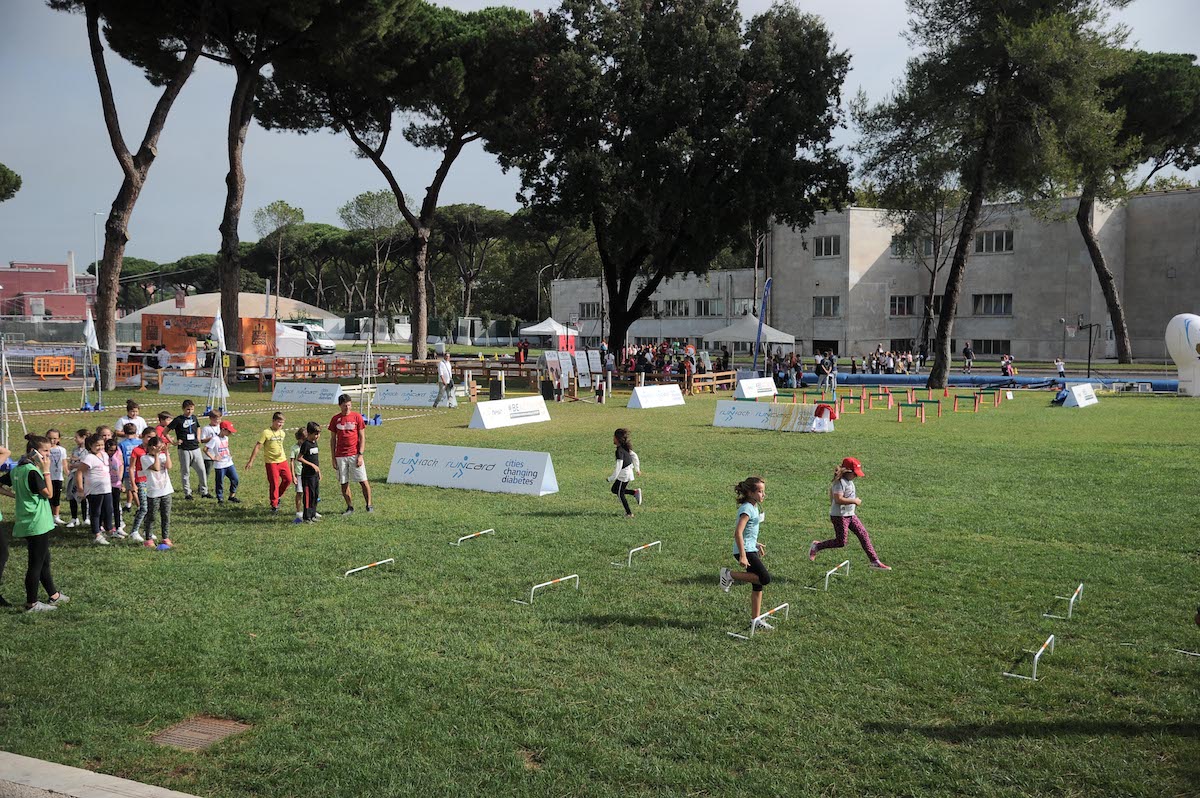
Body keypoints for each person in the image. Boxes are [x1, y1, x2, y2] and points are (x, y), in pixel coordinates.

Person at [7, 435, 68, 612]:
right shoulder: (33, 471)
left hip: (28, 521)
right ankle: (31, 604)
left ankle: (53, 595)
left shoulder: (18, 469)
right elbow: (49, 494)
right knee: (36, 564)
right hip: (37, 523)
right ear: (33, 452)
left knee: (44, 560)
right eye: (45, 451)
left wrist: (14, 495)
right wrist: (47, 470)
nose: (48, 454)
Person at [809, 457, 890, 570]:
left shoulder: (849, 481)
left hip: (850, 515)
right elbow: (838, 499)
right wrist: (854, 501)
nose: (856, 476)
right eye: (855, 473)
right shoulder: (839, 483)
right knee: (841, 542)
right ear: (847, 471)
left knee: (863, 534)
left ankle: (874, 561)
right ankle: (817, 546)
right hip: (840, 516)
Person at [718, 477, 774, 629]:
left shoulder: (754, 506)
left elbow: (748, 533)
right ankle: (728, 574)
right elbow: (738, 532)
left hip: (750, 548)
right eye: (760, 491)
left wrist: (755, 544)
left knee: (758, 584)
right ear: (750, 493)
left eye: (764, 491)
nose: (763, 494)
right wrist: (743, 555)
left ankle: (755, 620)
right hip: (744, 551)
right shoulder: (747, 509)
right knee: (764, 578)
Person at [328, 394, 373, 515]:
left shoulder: (357, 417)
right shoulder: (335, 419)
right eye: (344, 406)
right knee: (344, 483)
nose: (347, 407)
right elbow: (333, 439)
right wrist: (333, 458)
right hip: (340, 456)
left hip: (355, 454)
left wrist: (360, 454)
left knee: (363, 480)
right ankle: (350, 507)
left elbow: (362, 437)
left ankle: (369, 505)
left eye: (349, 405)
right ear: (340, 405)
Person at [246, 411, 292, 513]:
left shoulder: (282, 433)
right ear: (273, 421)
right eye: (279, 422)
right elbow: (258, 446)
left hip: (282, 461)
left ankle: (277, 496)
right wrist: (251, 461)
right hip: (271, 462)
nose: (280, 424)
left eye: (282, 422)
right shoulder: (266, 433)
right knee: (274, 483)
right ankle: (274, 505)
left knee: (288, 479)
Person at [74, 432, 112, 545]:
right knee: (96, 512)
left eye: (102, 445)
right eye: (97, 445)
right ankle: (97, 534)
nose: (100, 447)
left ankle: (107, 529)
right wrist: (80, 489)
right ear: (90, 445)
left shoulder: (104, 455)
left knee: (108, 510)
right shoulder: (89, 458)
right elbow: (79, 472)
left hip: (106, 489)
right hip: (94, 491)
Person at [167, 399, 210, 499]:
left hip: (195, 448)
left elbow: (198, 427)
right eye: (187, 409)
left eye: (192, 409)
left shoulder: (194, 417)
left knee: (202, 470)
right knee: (185, 471)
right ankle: (187, 493)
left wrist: (198, 436)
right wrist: (173, 442)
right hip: (184, 449)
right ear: (183, 409)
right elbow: (165, 431)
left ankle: (204, 491)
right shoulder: (178, 419)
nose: (190, 411)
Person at [140, 436, 174, 549]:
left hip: (166, 490)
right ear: (152, 447)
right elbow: (156, 468)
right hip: (154, 492)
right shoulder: (145, 458)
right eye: (158, 447)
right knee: (152, 516)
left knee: (166, 516)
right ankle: (148, 538)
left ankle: (165, 537)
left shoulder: (163, 456)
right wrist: (156, 455)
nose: (160, 449)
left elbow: (169, 466)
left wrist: (167, 453)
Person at [606, 428, 642, 518]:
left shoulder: (619, 451)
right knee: (614, 489)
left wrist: (611, 478)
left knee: (620, 493)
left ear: (617, 438)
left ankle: (629, 513)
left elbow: (619, 466)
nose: (613, 439)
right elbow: (635, 456)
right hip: (627, 473)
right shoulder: (625, 448)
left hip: (624, 475)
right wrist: (637, 469)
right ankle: (634, 492)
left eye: (614, 437)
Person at [209, 420, 240, 503]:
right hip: (220, 465)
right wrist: (213, 457)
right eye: (229, 431)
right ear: (223, 429)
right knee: (219, 482)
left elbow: (226, 447)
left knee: (235, 479)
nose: (230, 433)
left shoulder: (226, 438)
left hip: (229, 463)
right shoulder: (215, 439)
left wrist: (228, 454)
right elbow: (205, 449)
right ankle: (220, 498)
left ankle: (232, 496)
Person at [65, 428, 89, 529]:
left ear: (84, 437)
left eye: (77, 437)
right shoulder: (75, 449)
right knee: (72, 496)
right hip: (73, 476)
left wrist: (77, 463)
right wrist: (72, 464)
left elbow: (86, 463)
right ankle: (74, 518)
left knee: (83, 497)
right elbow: (71, 461)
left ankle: (85, 518)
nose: (75, 439)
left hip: (83, 477)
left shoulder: (88, 450)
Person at [298, 421, 322, 523]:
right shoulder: (306, 444)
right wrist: (311, 465)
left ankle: (313, 514)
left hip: (314, 475)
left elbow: (316, 459)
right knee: (308, 496)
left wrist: (318, 471)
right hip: (307, 476)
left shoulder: (315, 443)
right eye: (315, 434)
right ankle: (306, 517)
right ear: (309, 433)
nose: (317, 436)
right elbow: (299, 458)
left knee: (315, 495)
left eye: (318, 434)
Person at [127, 434, 149, 543]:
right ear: (143, 437)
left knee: (151, 508)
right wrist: (133, 483)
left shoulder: (154, 450)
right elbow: (132, 468)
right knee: (143, 507)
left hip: (152, 481)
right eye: (148, 437)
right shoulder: (136, 450)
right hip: (141, 481)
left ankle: (147, 530)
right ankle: (134, 531)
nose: (150, 439)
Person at [117, 422, 142, 514]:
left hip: (128, 470)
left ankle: (140, 507)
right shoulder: (140, 442)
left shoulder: (121, 444)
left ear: (124, 432)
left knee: (132, 489)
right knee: (140, 488)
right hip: (139, 468)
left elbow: (120, 459)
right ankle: (133, 504)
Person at [46, 428, 67, 526]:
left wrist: (67, 472)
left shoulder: (62, 450)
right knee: (48, 497)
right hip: (47, 477)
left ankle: (56, 516)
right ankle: (48, 516)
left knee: (56, 497)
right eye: (49, 438)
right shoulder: (45, 449)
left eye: (54, 438)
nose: (52, 440)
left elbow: (64, 462)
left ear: (59, 439)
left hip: (58, 477)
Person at [104, 437, 124, 538]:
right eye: (110, 450)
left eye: (114, 450)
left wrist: (120, 481)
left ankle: (118, 526)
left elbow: (121, 465)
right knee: (106, 507)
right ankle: (106, 526)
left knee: (116, 506)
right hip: (105, 484)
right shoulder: (103, 457)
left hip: (115, 484)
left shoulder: (117, 456)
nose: (112, 452)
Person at [199, 410, 222, 487]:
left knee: (220, 471)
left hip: (219, 453)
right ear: (211, 418)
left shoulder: (220, 427)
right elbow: (202, 440)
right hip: (209, 454)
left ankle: (218, 486)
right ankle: (202, 487)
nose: (218, 421)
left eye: (219, 419)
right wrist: (212, 438)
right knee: (207, 471)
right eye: (216, 419)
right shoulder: (206, 428)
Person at [289, 427, 306, 524]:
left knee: (308, 493)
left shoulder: (307, 446)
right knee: (299, 493)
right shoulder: (294, 448)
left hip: (307, 473)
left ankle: (310, 510)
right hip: (298, 473)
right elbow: (291, 462)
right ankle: (299, 512)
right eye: (302, 439)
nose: (303, 441)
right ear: (299, 438)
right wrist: (293, 475)